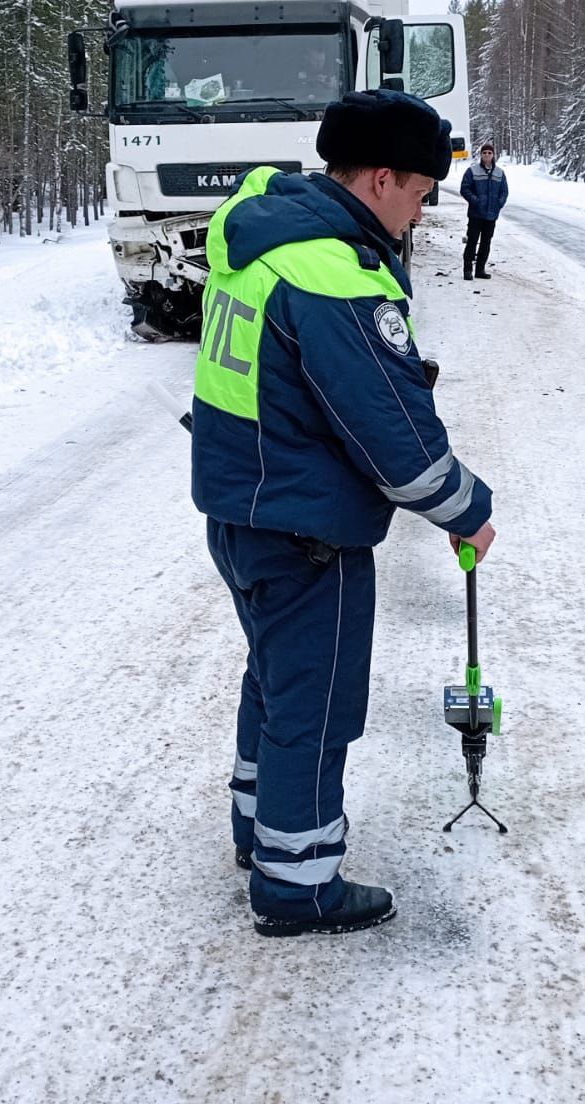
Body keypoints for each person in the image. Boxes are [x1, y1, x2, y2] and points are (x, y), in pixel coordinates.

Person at [191, 89, 496, 937]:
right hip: (304, 528)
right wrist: (466, 509)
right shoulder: (331, 272)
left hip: (241, 509)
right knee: (316, 706)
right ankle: (298, 884)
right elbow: (395, 436)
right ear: (382, 177)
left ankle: (259, 831)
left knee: (275, 680)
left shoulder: (263, 240)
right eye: (420, 192)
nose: (422, 209)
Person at [459, 144, 508, 280]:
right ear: (481, 155)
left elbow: (504, 191)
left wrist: (499, 203)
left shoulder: (499, 173)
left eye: (489, 153)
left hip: (491, 215)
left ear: (493, 155)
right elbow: (465, 189)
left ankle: (480, 270)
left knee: (486, 242)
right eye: (484, 153)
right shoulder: (472, 171)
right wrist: (475, 200)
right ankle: (467, 270)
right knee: (472, 241)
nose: (487, 155)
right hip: (476, 214)